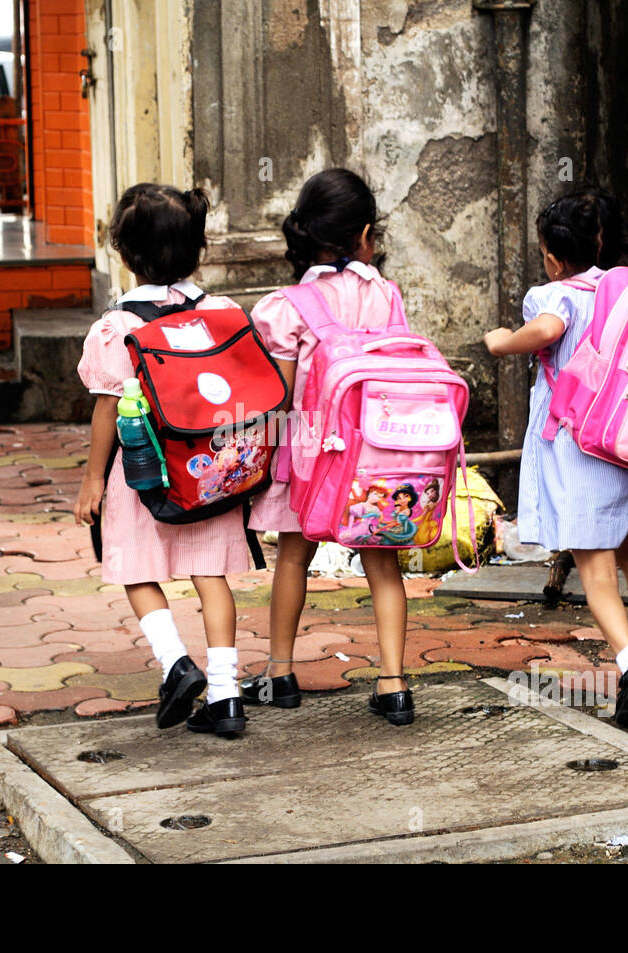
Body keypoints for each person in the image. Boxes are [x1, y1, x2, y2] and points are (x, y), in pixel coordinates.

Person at [483, 188, 628, 727]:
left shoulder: (556, 295)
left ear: (550, 256)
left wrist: (502, 342)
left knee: (594, 568)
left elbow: (547, 332)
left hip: (583, 446)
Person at [74, 183, 250, 737]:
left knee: (134, 566)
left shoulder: (118, 328)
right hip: (210, 470)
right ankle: (226, 696)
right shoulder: (221, 313)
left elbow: (108, 410)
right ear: (197, 250)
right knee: (210, 574)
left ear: (124, 255)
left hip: (143, 473)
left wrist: (92, 480)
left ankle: (176, 663)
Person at [242, 168, 416, 726]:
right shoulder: (387, 295)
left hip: (312, 456)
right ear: (366, 233)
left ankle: (279, 674)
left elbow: (283, 394)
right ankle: (393, 685)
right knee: (384, 566)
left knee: (293, 557)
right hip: (377, 455)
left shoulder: (287, 305)